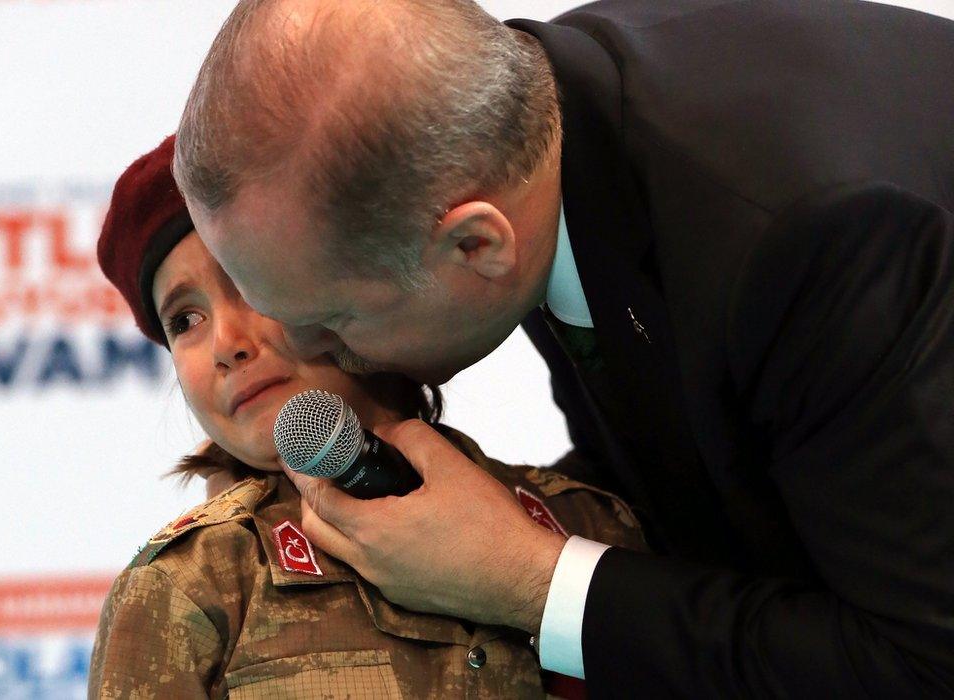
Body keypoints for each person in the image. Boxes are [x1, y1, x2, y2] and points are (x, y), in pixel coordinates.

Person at [172, 0, 954, 696]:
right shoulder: (532, 126)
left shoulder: (809, 244)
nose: (305, 348)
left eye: (332, 320)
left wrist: (530, 581)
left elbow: (927, 664)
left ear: (478, 245)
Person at [87, 135, 647, 698]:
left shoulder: (585, 524)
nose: (226, 344)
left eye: (248, 283)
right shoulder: (186, 589)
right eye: (184, 320)